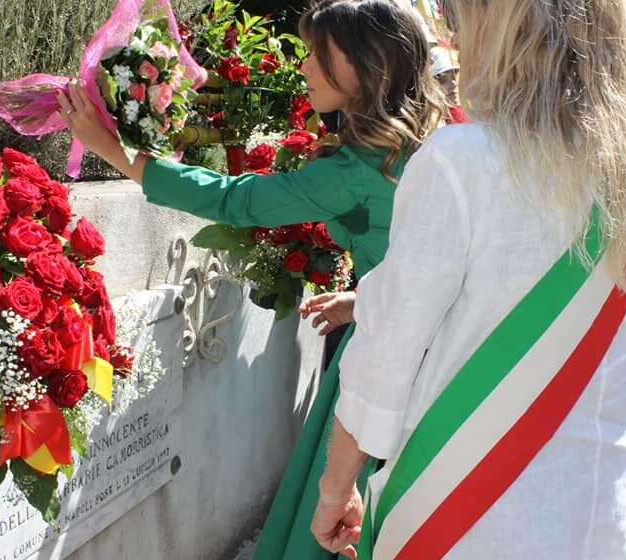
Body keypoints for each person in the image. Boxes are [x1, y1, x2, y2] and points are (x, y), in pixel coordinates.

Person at [310, 0, 626, 558]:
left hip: (459, 509)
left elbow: (385, 355)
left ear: (501, 29)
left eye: (459, 17)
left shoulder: (464, 160)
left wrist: (334, 491)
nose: (453, 35)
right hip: (592, 508)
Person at [57, 1, 443, 558]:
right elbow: (425, 261)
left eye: (319, 55)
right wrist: (364, 300)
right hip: (426, 349)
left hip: (389, 360)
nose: (304, 66)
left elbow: (234, 201)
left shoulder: (357, 170)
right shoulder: (421, 146)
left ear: (365, 68)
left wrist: (109, 147)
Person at [429, 45, 467, 124]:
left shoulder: (466, 118)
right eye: (442, 80)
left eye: (454, 77)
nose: (453, 84)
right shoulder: (425, 126)